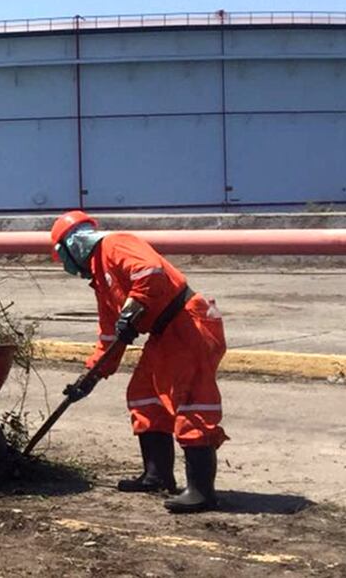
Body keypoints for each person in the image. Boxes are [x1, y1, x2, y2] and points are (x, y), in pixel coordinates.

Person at [51, 210, 228, 513]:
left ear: (72, 245)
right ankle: (156, 476)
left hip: (187, 324)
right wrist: (90, 376)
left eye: (62, 255)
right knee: (144, 395)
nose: (66, 265)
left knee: (190, 404)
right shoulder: (101, 280)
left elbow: (149, 271)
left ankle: (202, 492)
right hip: (164, 333)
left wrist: (135, 307)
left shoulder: (116, 244)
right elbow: (110, 337)